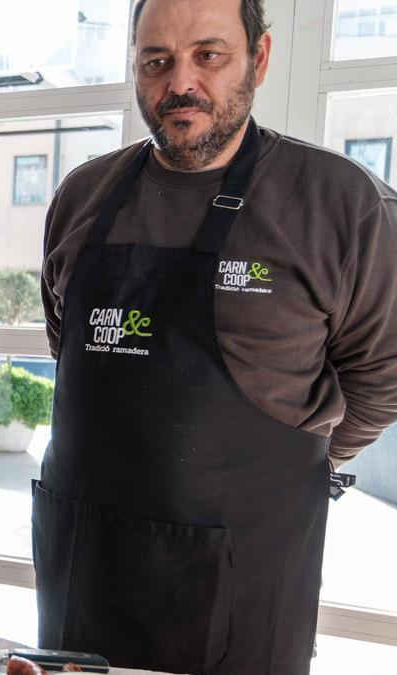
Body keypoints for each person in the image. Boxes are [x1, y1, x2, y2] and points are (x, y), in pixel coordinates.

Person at [36, 0, 397, 672]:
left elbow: (382, 378)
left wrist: (288, 470)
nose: (180, 83)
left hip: (243, 586)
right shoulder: (82, 195)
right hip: (83, 569)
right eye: (157, 61)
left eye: (208, 55)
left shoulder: (338, 203)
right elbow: (68, 344)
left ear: (258, 58)